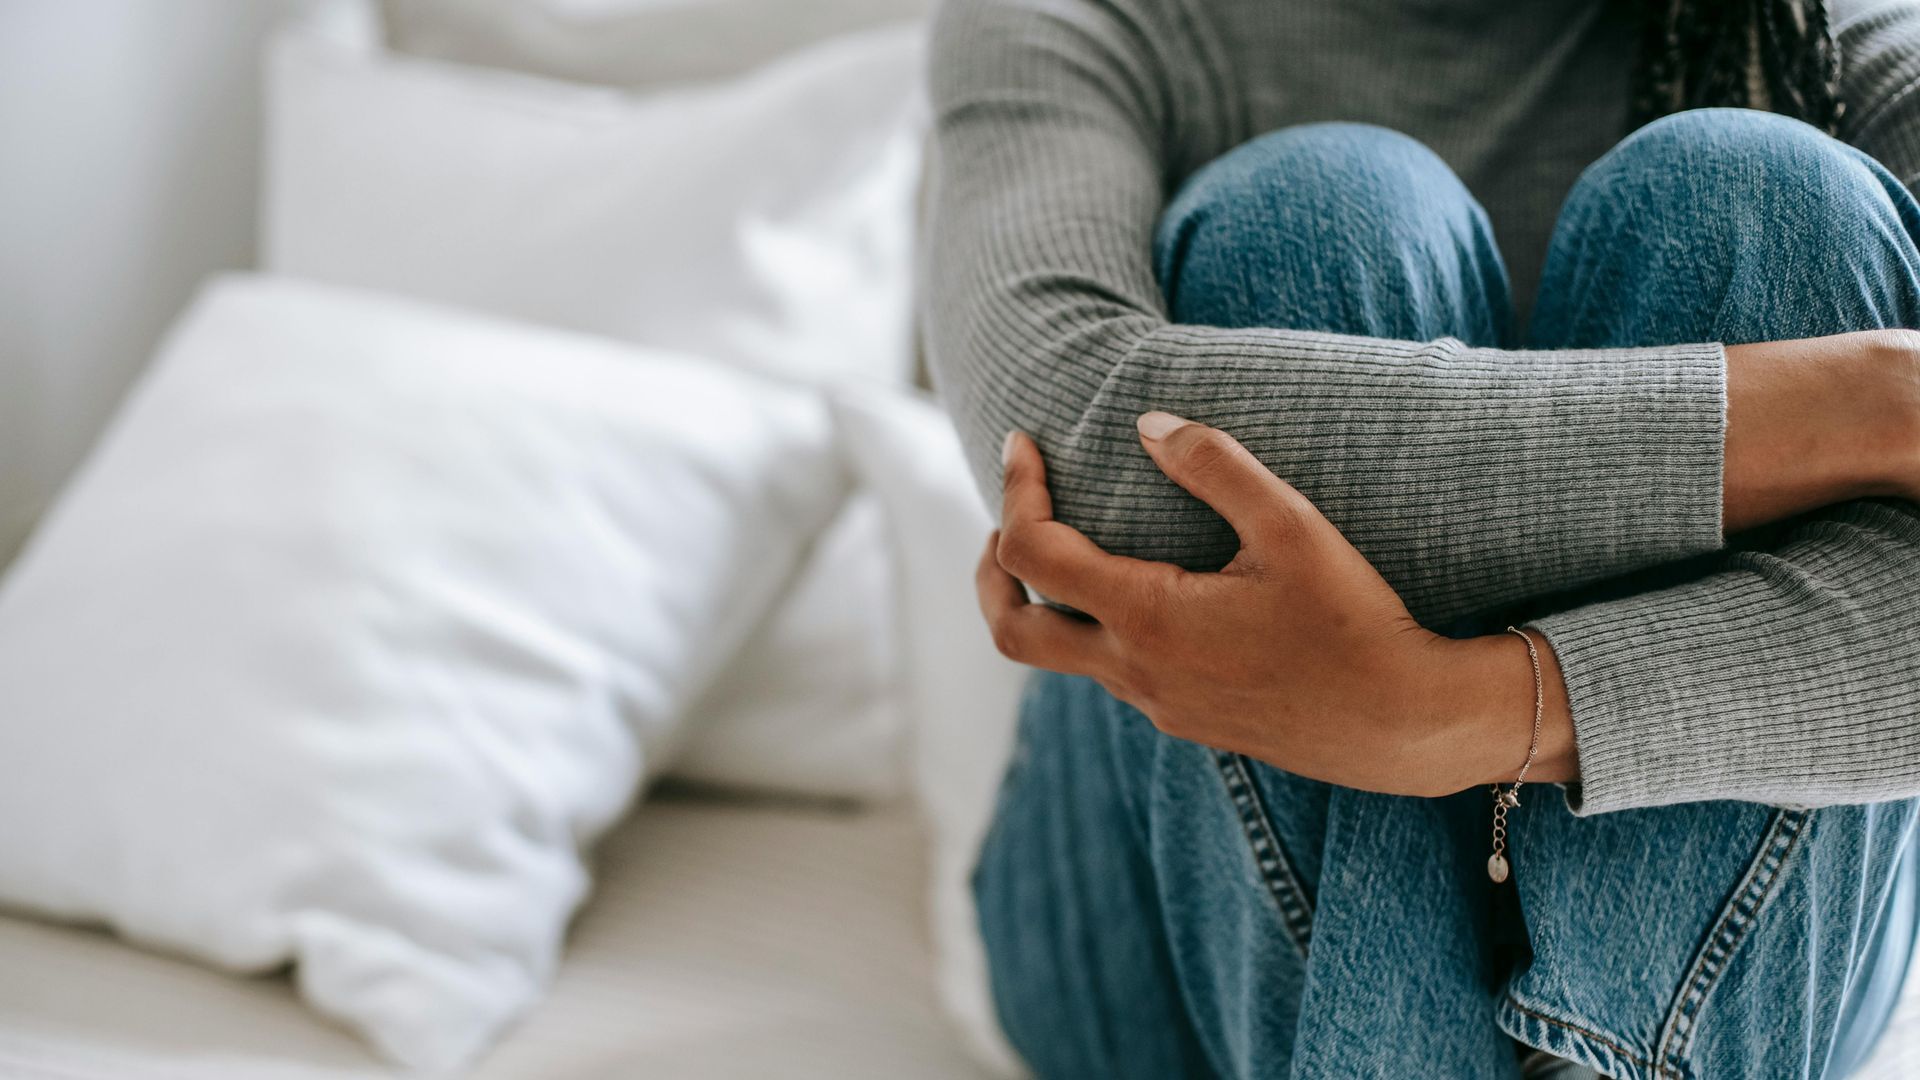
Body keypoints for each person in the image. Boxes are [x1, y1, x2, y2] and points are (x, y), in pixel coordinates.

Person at [920, 0, 1920, 1076]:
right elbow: (1078, 455)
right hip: (1151, 918)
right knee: (1318, 215)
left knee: (1768, 196)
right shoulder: (1088, 17)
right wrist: (1865, 406)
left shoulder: (1828, 24)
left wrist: (1461, 712)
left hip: (1739, 965)